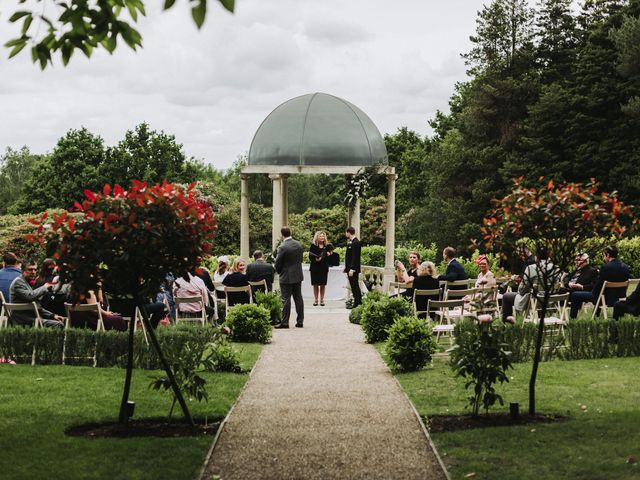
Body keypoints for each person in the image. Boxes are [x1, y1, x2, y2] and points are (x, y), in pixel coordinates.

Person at [569, 245, 630, 319]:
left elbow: (598, 287)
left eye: (604, 255)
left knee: (576, 295)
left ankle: (572, 320)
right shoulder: (625, 267)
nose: (604, 258)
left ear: (607, 255)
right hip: (619, 298)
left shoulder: (606, 267)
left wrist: (588, 289)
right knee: (601, 294)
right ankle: (595, 316)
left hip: (604, 299)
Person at [501, 247, 559, 323]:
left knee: (506, 296)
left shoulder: (531, 268)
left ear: (536, 257)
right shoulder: (556, 268)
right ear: (549, 256)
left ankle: (507, 325)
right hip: (550, 301)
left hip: (534, 301)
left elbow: (521, 290)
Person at [8, 260, 64, 328]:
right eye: (30, 269)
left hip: (29, 318)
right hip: (23, 320)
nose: (33, 272)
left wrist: (53, 315)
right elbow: (30, 296)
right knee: (59, 325)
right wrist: (45, 287)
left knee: (59, 321)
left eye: (35, 269)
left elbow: (36, 306)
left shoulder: (25, 282)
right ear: (22, 271)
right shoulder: (18, 282)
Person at [274, 226, 304, 328]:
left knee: (285, 299)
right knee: (298, 298)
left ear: (282, 234)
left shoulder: (282, 247)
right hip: (297, 275)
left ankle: (285, 322)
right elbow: (300, 259)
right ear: (290, 233)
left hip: (286, 276)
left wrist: (279, 272)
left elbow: (278, 263)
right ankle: (300, 321)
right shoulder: (299, 244)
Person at [309, 231, 330, 306]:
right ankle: (315, 300)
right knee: (315, 284)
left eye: (323, 236)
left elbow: (330, 259)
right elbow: (310, 256)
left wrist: (329, 254)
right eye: (320, 236)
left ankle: (322, 300)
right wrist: (315, 259)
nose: (322, 237)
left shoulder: (327, 247)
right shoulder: (313, 246)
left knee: (322, 284)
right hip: (315, 267)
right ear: (317, 237)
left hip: (323, 268)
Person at [344, 226, 362, 308]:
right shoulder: (351, 242)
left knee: (355, 286)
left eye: (346, 233)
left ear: (348, 232)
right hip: (349, 269)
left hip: (353, 270)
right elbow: (349, 257)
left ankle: (358, 303)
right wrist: (346, 268)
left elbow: (355, 257)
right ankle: (357, 302)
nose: (346, 234)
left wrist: (352, 269)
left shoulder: (356, 242)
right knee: (353, 286)